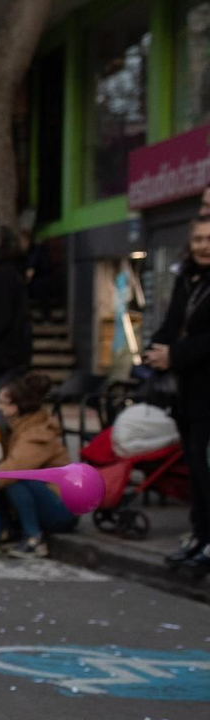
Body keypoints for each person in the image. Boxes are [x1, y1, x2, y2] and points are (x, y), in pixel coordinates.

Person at [145, 193, 210, 566]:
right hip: (187, 392)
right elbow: (173, 324)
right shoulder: (187, 278)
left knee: (206, 470)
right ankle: (199, 536)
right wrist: (157, 349)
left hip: (206, 391)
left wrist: (177, 354)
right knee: (195, 473)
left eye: (209, 240)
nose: (202, 246)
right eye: (198, 239)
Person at [0, 372, 76, 558]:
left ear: (14, 407)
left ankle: (34, 539)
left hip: (63, 509)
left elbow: (12, 469)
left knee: (15, 479)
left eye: (1, 402)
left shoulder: (37, 434)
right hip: (48, 499)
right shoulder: (17, 428)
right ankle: (7, 531)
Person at [0, 225, 32, 389]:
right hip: (9, 355)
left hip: (1, 358)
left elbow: (0, 317)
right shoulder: (12, 272)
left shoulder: (3, 275)